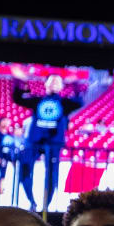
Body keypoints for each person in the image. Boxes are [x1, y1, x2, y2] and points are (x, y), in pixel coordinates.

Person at [13, 73, 81, 213]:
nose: (54, 84)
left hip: (54, 142)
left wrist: (75, 84)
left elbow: (79, 101)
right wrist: (21, 81)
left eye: (58, 82)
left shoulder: (64, 103)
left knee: (52, 174)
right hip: (33, 141)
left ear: (62, 86)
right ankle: (32, 202)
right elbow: (17, 98)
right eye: (52, 81)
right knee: (24, 170)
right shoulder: (37, 100)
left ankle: (46, 206)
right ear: (46, 84)